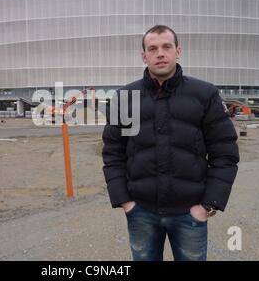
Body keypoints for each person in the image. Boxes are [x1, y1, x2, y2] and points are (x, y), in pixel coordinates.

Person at [102, 25, 239, 261]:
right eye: (152, 48)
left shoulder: (205, 95)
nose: (160, 53)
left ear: (178, 51)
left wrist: (208, 205)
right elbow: (114, 153)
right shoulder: (126, 98)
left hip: (190, 213)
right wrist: (125, 201)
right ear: (144, 56)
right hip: (140, 212)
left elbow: (224, 154)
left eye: (167, 46)